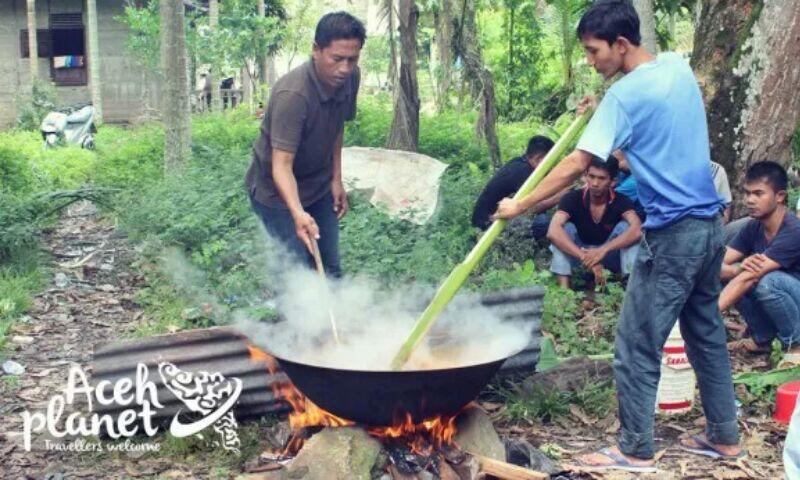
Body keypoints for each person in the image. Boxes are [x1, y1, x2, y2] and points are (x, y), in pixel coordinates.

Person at [493, 1, 741, 471]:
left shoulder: (622, 98)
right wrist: (600, 114)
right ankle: (725, 437)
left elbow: (576, 165)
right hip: (712, 228)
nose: (590, 61)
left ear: (621, 45)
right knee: (705, 332)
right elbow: (653, 132)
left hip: (672, 235)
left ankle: (633, 449)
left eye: (593, 51)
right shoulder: (677, 68)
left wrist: (521, 204)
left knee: (635, 343)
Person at [244, 12, 365, 278]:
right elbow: (281, 166)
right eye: (337, 59)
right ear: (316, 50)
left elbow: (336, 126)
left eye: (352, 59)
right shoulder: (294, 95)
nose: (344, 68)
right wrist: (298, 213)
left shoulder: (350, 78)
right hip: (276, 193)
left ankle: (334, 319)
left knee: (330, 268)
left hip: (319, 186)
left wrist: (336, 179)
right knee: (298, 273)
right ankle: (293, 319)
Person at [719, 162, 800, 366]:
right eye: (747, 193)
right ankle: (762, 339)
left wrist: (709, 314)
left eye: (758, 193)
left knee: (767, 281)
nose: (750, 200)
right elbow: (715, 263)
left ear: (780, 196)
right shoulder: (753, 226)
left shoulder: (793, 230)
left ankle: (796, 346)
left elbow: (751, 276)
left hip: (793, 295)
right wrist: (737, 267)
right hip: (784, 300)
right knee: (734, 276)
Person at [547, 154, 641, 290]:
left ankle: (629, 291)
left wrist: (602, 251)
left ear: (613, 181)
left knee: (626, 227)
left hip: (608, 258)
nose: (595, 183)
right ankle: (564, 293)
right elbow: (552, 231)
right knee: (564, 229)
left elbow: (637, 230)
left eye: (602, 178)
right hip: (578, 256)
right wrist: (586, 257)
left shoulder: (622, 201)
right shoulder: (571, 198)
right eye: (591, 176)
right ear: (585, 176)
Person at [471, 135, 566, 237]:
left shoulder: (519, 162)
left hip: (485, 221)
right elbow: (531, 208)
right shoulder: (524, 172)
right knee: (543, 222)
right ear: (538, 158)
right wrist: (558, 198)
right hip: (489, 226)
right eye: (551, 161)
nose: (552, 165)